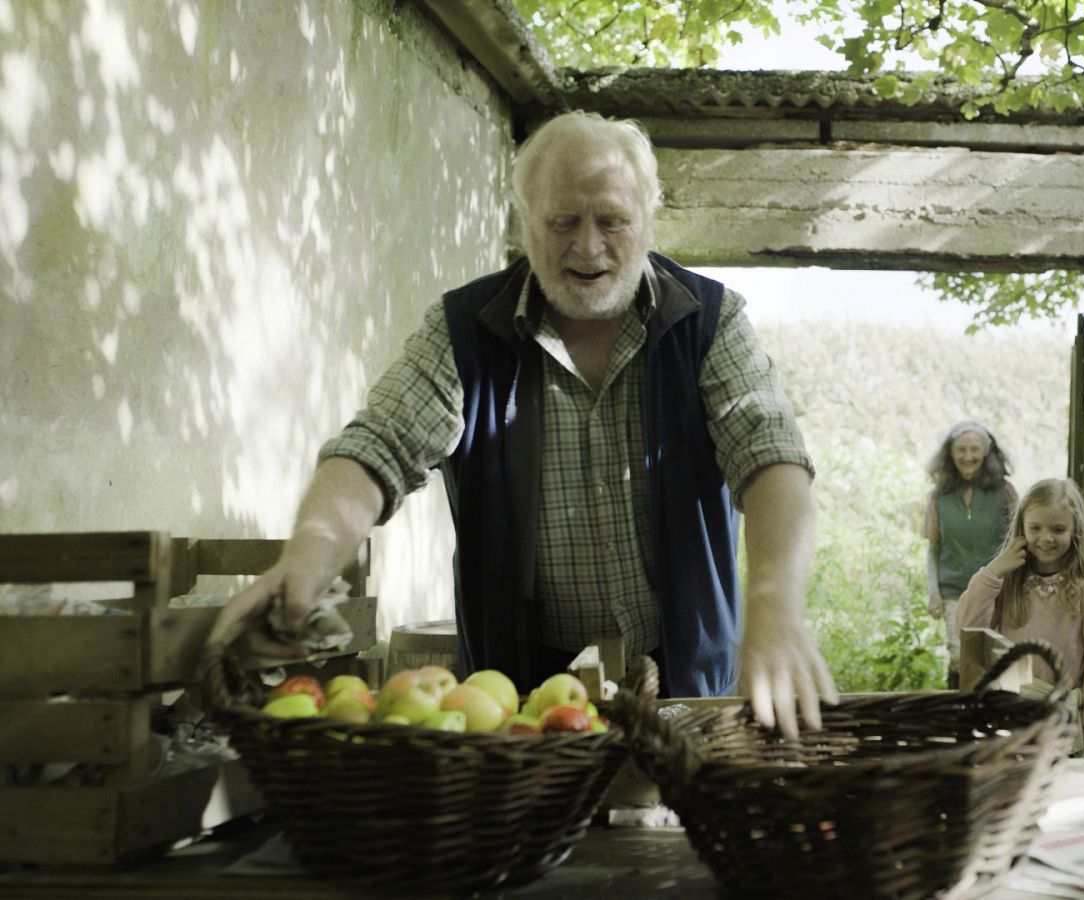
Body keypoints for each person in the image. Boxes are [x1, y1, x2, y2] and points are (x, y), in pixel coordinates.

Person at [205, 110, 837, 738]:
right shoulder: (465, 329)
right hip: (514, 697)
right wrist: (305, 564)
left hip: (690, 682)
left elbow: (769, 455)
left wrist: (774, 604)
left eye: (611, 220)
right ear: (525, 222)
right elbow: (377, 447)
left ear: (648, 216)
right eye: (563, 222)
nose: (587, 247)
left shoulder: (710, 321)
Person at [956, 478, 1084, 757]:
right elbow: (967, 629)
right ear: (1021, 528)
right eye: (1035, 528)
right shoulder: (1007, 582)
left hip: (1059, 721)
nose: (1046, 538)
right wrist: (993, 572)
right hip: (1009, 717)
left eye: (1058, 529)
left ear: (1075, 531)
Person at [923, 419, 1017, 689]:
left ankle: (1005, 722)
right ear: (950, 453)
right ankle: (960, 722)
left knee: (1000, 659)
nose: (968, 456)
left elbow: (1019, 541)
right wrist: (933, 591)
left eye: (974, 449)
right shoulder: (938, 496)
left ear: (987, 451)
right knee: (960, 659)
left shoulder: (1005, 492)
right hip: (954, 591)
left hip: (998, 590)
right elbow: (933, 549)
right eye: (961, 449)